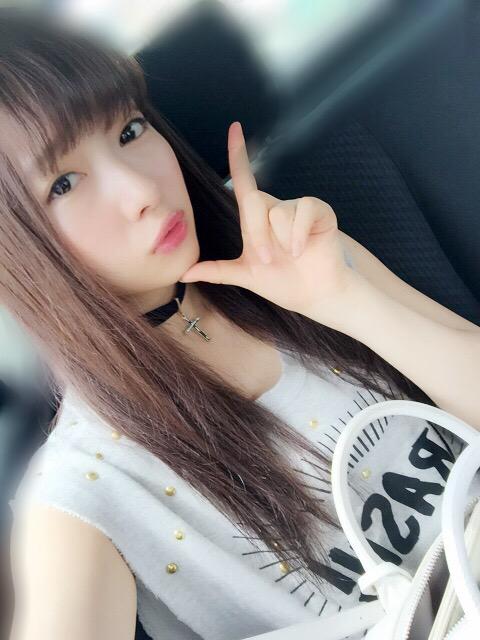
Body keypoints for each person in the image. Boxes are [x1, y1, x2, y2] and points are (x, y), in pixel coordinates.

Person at [1, 7, 478, 640]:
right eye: (63, 183)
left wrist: (347, 302)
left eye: (129, 129)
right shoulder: (85, 487)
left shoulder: (293, 254)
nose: (141, 190)